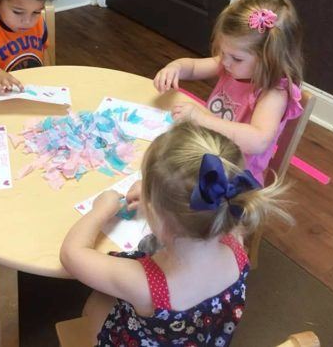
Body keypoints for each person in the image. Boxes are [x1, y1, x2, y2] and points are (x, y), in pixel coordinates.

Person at [60, 122, 292, 346]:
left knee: (97, 302)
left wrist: (101, 209)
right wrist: (161, 195)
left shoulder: (143, 283)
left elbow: (71, 254)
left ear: (157, 219)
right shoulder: (236, 242)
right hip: (202, 338)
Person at [154, 0, 304, 184]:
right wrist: (175, 67)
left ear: (269, 59)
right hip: (209, 153)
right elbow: (192, 67)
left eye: (236, 58)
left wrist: (201, 119)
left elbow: (258, 141)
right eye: (223, 53)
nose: (224, 62)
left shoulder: (274, 93)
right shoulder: (233, 65)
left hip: (235, 180)